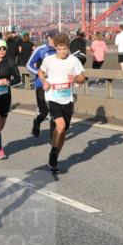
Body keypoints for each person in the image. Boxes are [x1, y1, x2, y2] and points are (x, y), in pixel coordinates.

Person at [39, 33, 86, 174]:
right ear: (55, 47)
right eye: (59, 49)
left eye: (64, 49)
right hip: (53, 98)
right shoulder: (49, 60)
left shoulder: (74, 61)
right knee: (60, 126)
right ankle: (53, 153)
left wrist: (76, 79)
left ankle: (54, 156)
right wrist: (44, 81)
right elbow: (41, 72)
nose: (62, 52)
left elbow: (82, 78)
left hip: (67, 99)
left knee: (63, 132)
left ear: (68, 47)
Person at [0, 38, 22, 160]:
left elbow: (18, 79)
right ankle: (1, 150)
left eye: (4, 48)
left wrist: (8, 82)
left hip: (5, 97)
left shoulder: (10, 62)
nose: (2, 51)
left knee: (1, 126)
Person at [25, 32, 57, 138]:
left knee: (54, 112)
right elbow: (28, 64)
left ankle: (52, 139)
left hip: (55, 85)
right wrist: (39, 72)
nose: (56, 42)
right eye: (54, 39)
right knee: (44, 112)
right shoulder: (40, 49)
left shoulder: (60, 50)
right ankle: (37, 122)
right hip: (41, 84)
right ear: (49, 38)